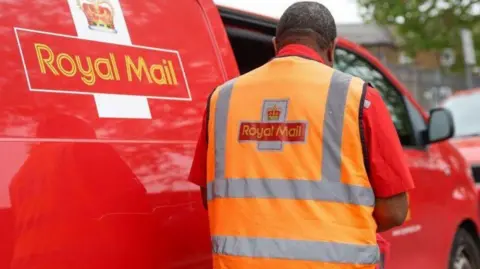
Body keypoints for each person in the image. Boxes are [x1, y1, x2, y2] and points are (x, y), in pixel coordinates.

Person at [188, 2, 414, 268]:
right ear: (331, 49)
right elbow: (395, 211)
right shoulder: (359, 98)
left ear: (275, 45)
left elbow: (210, 197)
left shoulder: (222, 99)